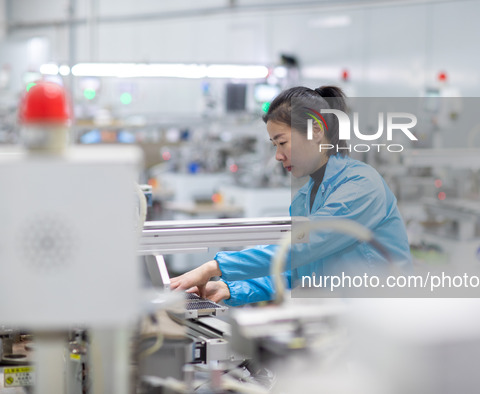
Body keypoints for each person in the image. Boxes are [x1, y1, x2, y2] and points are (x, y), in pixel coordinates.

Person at [170, 86, 411, 305]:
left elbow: (303, 248)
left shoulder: (361, 186)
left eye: (282, 142)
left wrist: (215, 266)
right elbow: (297, 268)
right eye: (274, 145)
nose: (278, 155)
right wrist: (230, 287)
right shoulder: (304, 197)